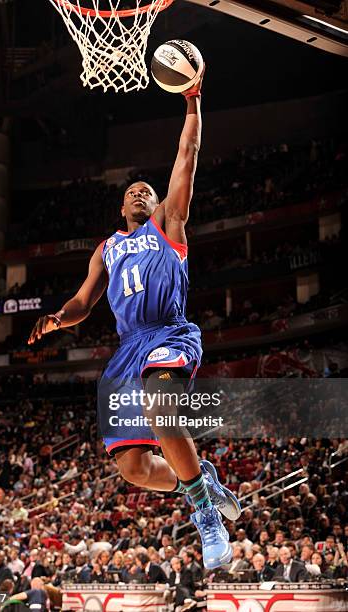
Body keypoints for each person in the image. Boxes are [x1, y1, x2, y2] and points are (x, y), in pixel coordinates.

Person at [28, 67, 241, 571]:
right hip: (126, 349)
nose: (142, 192)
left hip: (168, 333)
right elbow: (85, 301)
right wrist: (59, 318)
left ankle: (204, 514)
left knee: (161, 400)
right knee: (136, 468)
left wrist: (192, 101)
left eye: (149, 189)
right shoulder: (106, 248)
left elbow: (186, 156)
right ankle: (201, 478)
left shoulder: (170, 223)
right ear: (123, 203)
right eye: (134, 190)